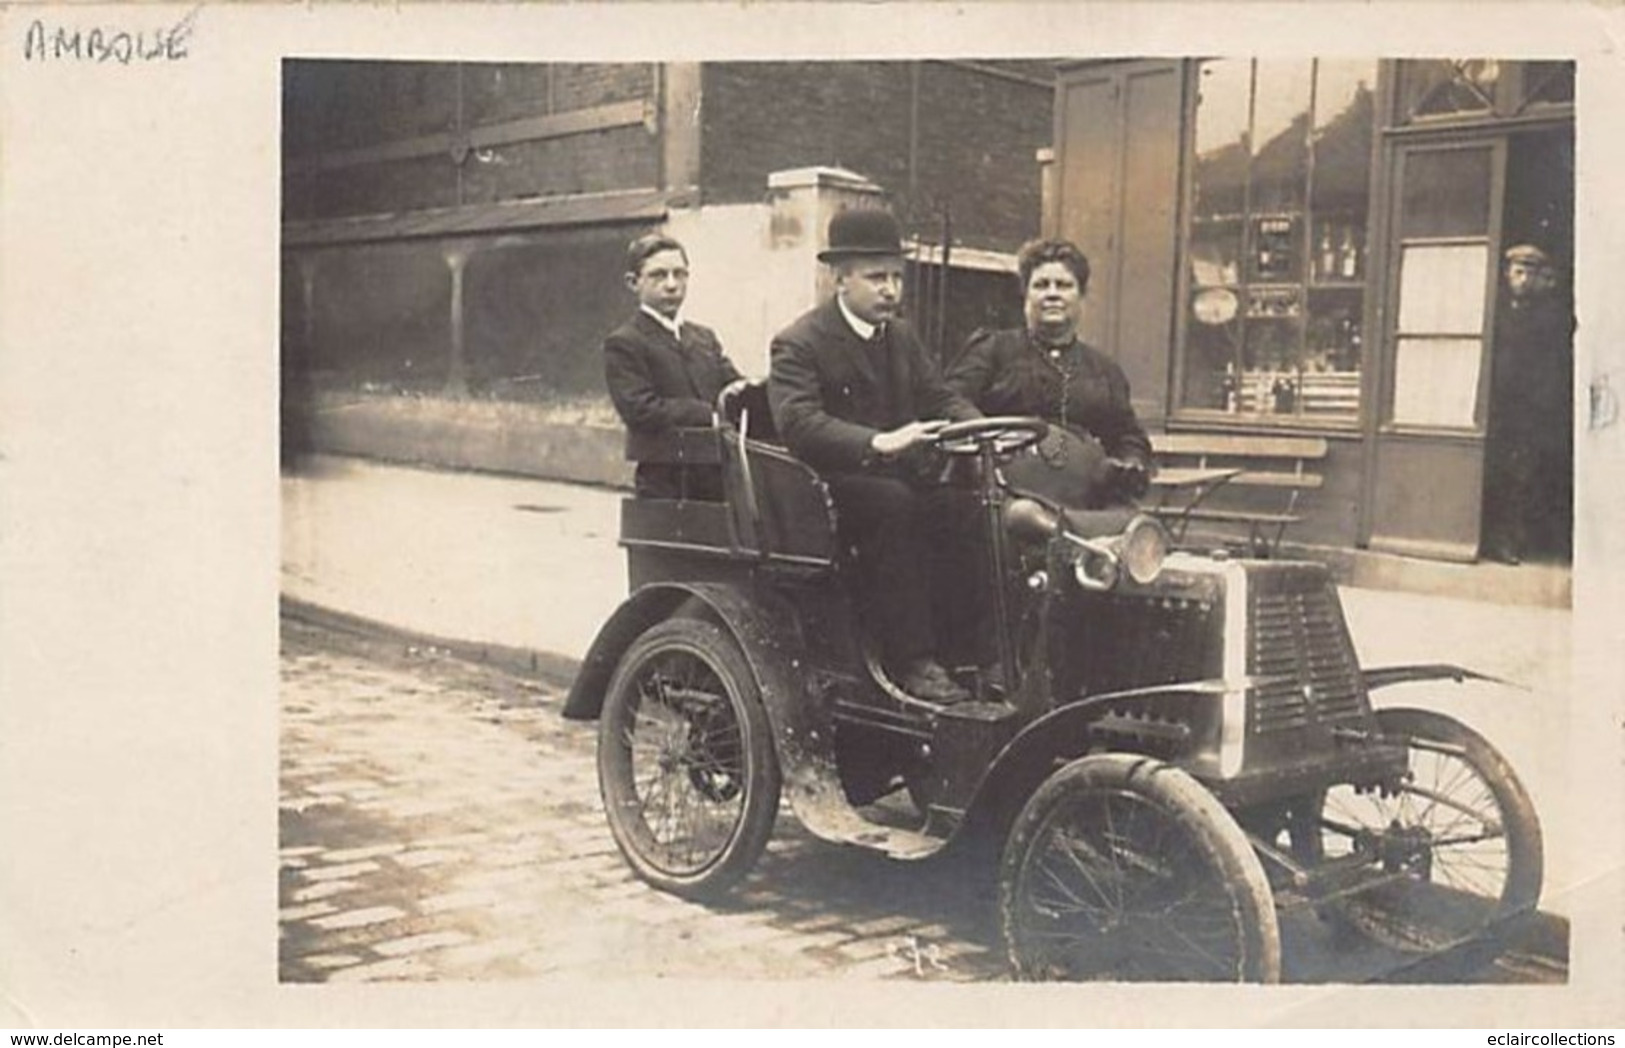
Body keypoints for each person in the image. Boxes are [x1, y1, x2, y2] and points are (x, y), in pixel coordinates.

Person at [768, 209, 982, 704]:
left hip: (897, 477)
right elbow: (798, 424)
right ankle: (913, 661)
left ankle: (967, 652)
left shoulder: (900, 336)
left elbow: (940, 395)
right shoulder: (800, 342)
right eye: (876, 277)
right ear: (839, 279)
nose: (891, 290)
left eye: (897, 278)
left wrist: (974, 426)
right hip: (827, 487)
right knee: (894, 504)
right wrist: (876, 442)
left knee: (965, 508)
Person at [947, 238, 1154, 509]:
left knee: (1136, 530)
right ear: (1026, 294)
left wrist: (1130, 463)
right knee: (1025, 517)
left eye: (1064, 285)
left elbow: (1128, 435)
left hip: (1082, 497)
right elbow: (951, 400)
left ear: (1081, 296)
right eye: (1041, 285)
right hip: (1000, 492)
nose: (1052, 294)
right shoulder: (993, 350)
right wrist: (989, 440)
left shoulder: (1104, 370)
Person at [603, 233, 743, 500]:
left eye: (680, 274)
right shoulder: (625, 342)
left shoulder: (703, 337)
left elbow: (733, 388)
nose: (672, 285)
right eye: (659, 275)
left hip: (720, 477)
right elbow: (641, 409)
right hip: (666, 484)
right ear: (634, 283)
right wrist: (710, 415)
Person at [1481, 243, 1575, 565]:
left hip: (1527, 411)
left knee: (1519, 478)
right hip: (1494, 409)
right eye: (1517, 272)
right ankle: (1487, 538)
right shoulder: (1495, 312)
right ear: (1507, 273)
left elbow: (1551, 366)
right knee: (1491, 473)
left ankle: (1509, 541)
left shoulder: (1547, 317)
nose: (1522, 280)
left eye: (1529, 274)